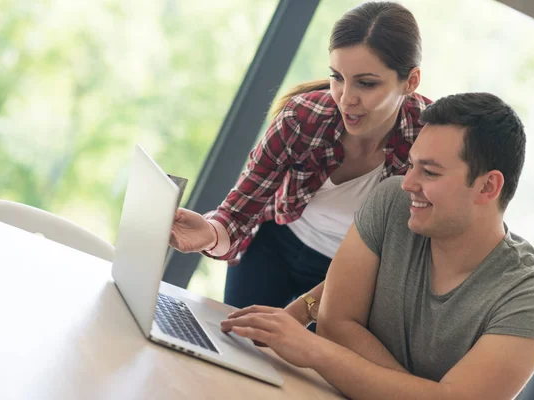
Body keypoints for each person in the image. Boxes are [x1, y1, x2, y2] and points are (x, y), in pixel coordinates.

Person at [220, 92, 534, 400]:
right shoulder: (392, 203)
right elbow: (334, 324)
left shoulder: (533, 297)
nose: (408, 183)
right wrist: (419, 392)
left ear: (487, 187)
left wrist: (315, 351)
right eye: (413, 164)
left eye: (430, 172)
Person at [169, 1, 431, 324]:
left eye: (366, 83)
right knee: (236, 347)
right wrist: (209, 232)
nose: (346, 98)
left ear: (411, 81)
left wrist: (304, 309)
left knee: (298, 370)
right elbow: (239, 212)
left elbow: (400, 259)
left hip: (347, 275)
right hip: (274, 247)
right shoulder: (302, 118)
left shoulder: (430, 143)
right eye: (337, 77)